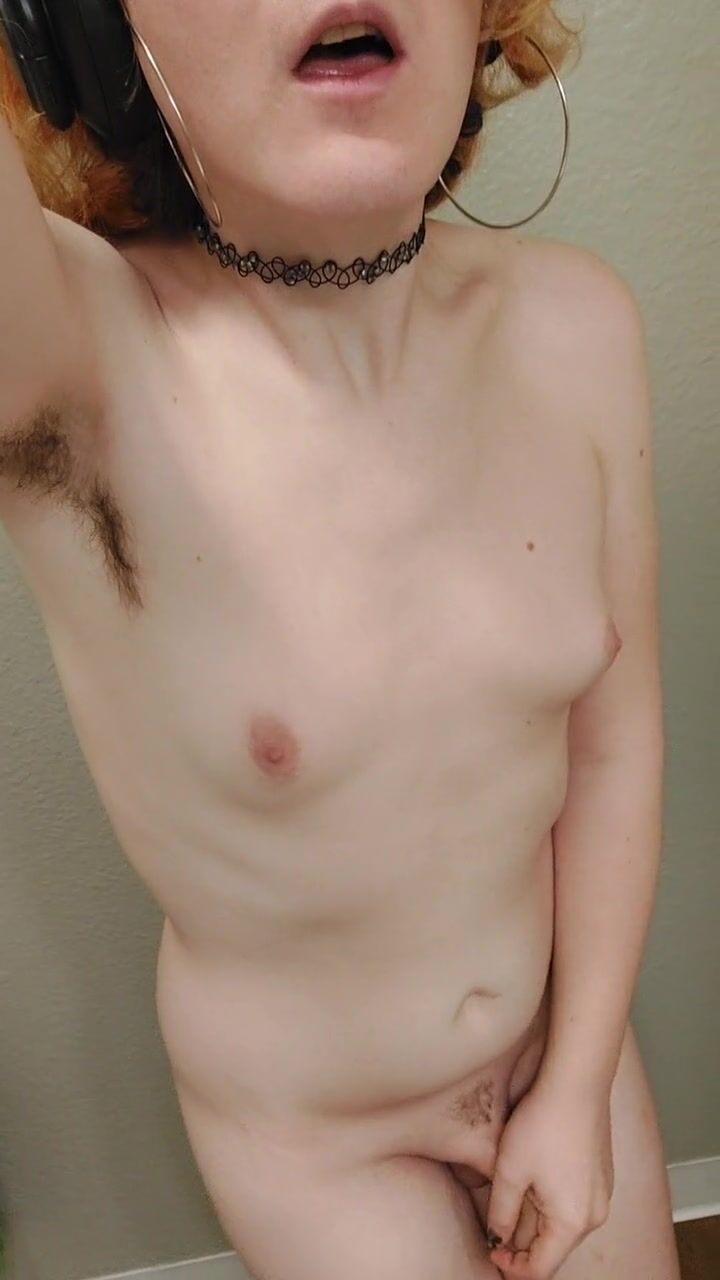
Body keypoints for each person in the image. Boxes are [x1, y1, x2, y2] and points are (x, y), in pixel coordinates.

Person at [0, 2, 682, 1277]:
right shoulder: (71, 370)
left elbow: (613, 752)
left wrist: (579, 1079)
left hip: (562, 1054)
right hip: (317, 1147)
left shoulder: (581, 322)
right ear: (87, 35)